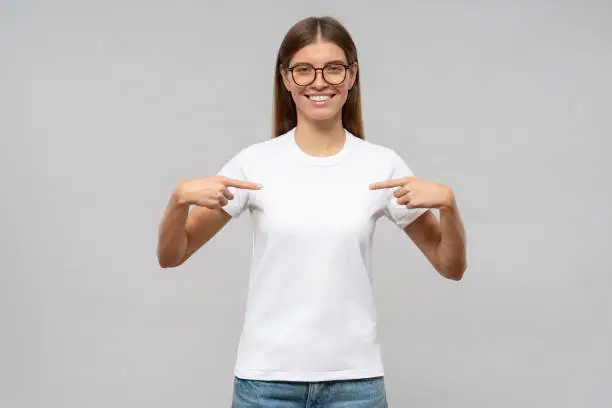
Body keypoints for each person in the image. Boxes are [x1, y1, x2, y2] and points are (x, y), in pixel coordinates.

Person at [157, 15, 467, 408]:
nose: (319, 82)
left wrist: (450, 207)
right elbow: (172, 255)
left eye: (333, 69)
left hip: (355, 384)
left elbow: (450, 265)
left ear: (351, 76)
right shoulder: (254, 164)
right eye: (303, 70)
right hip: (266, 384)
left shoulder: (380, 165)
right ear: (286, 78)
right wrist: (177, 201)